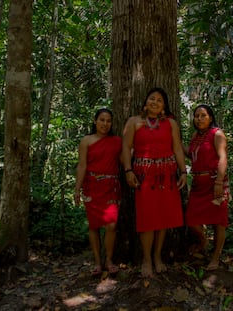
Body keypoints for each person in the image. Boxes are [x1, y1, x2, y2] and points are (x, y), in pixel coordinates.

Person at [122, 87, 187, 278]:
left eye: (159, 100)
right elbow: (126, 147)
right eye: (152, 98)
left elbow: (177, 148)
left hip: (167, 176)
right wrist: (128, 170)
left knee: (164, 219)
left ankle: (157, 256)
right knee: (148, 219)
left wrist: (183, 171)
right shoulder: (134, 122)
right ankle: (146, 259)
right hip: (144, 176)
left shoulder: (171, 123)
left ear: (164, 105)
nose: (155, 102)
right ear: (145, 102)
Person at [74, 108, 122, 276]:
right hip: (92, 186)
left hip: (111, 187)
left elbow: (125, 158)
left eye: (108, 121)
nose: (105, 124)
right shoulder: (86, 141)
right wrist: (77, 189)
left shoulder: (117, 141)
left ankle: (108, 259)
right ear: (95, 121)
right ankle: (97, 261)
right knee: (94, 225)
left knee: (111, 224)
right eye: (102, 120)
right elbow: (82, 165)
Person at [185, 104, 230, 270]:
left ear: (210, 117)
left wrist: (219, 182)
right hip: (198, 185)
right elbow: (190, 154)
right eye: (196, 116)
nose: (199, 119)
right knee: (191, 218)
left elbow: (223, 158)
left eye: (203, 115)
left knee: (219, 221)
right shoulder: (196, 135)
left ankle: (215, 257)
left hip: (215, 183)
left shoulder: (216, 133)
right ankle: (203, 241)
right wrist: (173, 141)